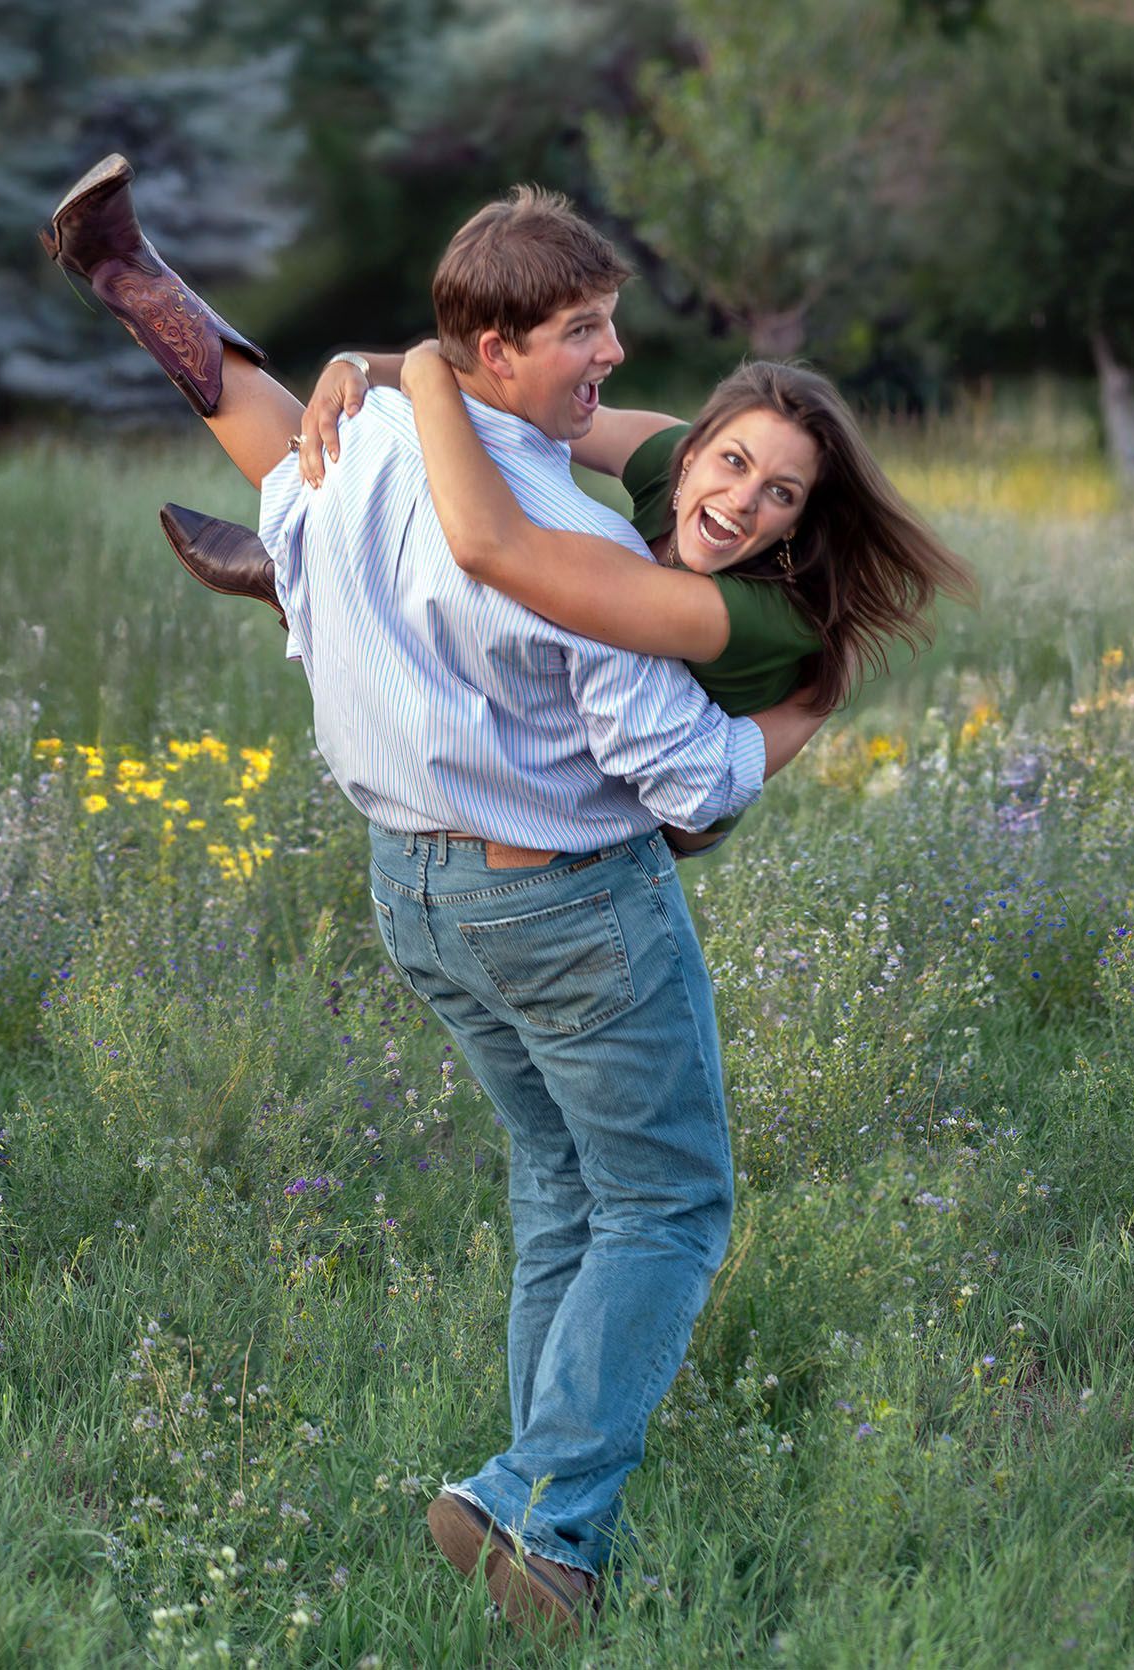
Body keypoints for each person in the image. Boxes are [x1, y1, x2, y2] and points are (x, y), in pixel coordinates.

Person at [44, 155, 828, 1639]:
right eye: (583, 329)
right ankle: (536, 1508)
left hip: (414, 891)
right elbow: (692, 790)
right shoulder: (578, 553)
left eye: (607, 321)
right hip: (563, 905)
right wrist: (797, 719)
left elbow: (265, 433)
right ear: (493, 351)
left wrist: (325, 357)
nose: (611, 353)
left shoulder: (384, 438)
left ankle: (542, 1525)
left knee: (559, 1187)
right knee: (666, 1203)